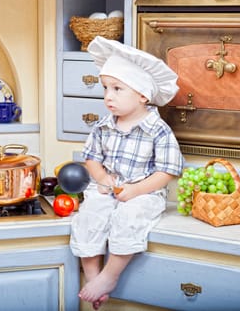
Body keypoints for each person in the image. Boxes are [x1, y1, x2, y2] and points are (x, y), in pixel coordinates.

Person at [69, 36, 184, 309]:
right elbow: (92, 159)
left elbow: (167, 171)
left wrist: (136, 190)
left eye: (118, 89)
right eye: (106, 88)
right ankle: (93, 276)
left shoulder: (158, 131)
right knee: (90, 213)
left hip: (143, 192)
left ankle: (110, 275)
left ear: (143, 95)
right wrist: (100, 178)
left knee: (130, 217)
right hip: (110, 188)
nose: (108, 96)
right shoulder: (103, 126)